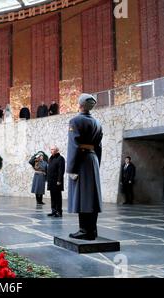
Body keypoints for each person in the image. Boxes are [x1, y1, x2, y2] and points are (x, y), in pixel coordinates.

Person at [67, 93, 103, 241]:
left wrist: (72, 168)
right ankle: (92, 230)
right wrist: (96, 164)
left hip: (81, 161)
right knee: (92, 197)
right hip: (92, 159)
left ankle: (84, 230)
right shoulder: (97, 123)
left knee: (83, 197)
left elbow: (74, 146)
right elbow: (99, 147)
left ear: (80, 105)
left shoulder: (75, 121)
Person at [47, 145, 65, 217]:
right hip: (51, 181)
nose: (51, 151)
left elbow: (61, 170)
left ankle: (59, 212)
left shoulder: (60, 158)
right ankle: (53, 211)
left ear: (57, 150)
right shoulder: (50, 158)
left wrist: (59, 180)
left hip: (57, 181)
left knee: (58, 197)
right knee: (53, 196)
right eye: (51, 149)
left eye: (53, 149)